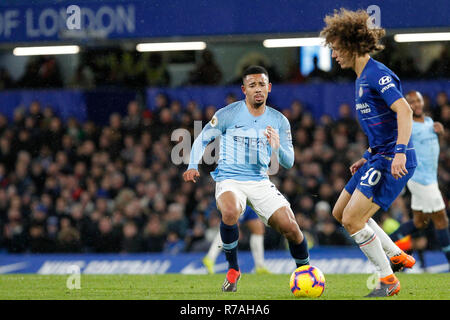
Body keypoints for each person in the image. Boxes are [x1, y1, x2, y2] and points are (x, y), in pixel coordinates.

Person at [183, 65, 310, 292]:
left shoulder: (279, 120)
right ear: (244, 89)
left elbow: (289, 162)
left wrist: (277, 147)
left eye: (262, 84)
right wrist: (193, 164)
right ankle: (233, 269)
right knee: (230, 212)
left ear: (269, 88)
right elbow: (202, 139)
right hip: (230, 178)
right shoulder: (227, 114)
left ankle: (306, 273)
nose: (258, 89)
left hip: (260, 181)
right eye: (252, 85)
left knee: (291, 228)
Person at [320, 8, 417, 297]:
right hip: (378, 155)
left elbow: (405, 110)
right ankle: (395, 254)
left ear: (351, 46)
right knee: (341, 212)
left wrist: (400, 152)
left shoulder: (377, 74)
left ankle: (388, 280)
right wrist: (368, 153)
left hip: (392, 159)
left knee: (353, 220)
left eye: (337, 49)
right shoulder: (361, 78)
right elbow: (383, 124)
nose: (334, 55)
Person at [389, 90, 450, 270]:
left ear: (423, 102)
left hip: (431, 178)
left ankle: (388, 241)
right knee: (442, 221)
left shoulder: (430, 122)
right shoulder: (407, 126)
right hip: (420, 179)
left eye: (418, 101)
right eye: (412, 102)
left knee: (419, 222)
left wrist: (440, 131)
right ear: (407, 106)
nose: (416, 104)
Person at [202, 206, 271, 274]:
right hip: (240, 198)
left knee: (258, 229)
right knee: (231, 224)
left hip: (251, 199)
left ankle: (260, 266)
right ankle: (210, 257)